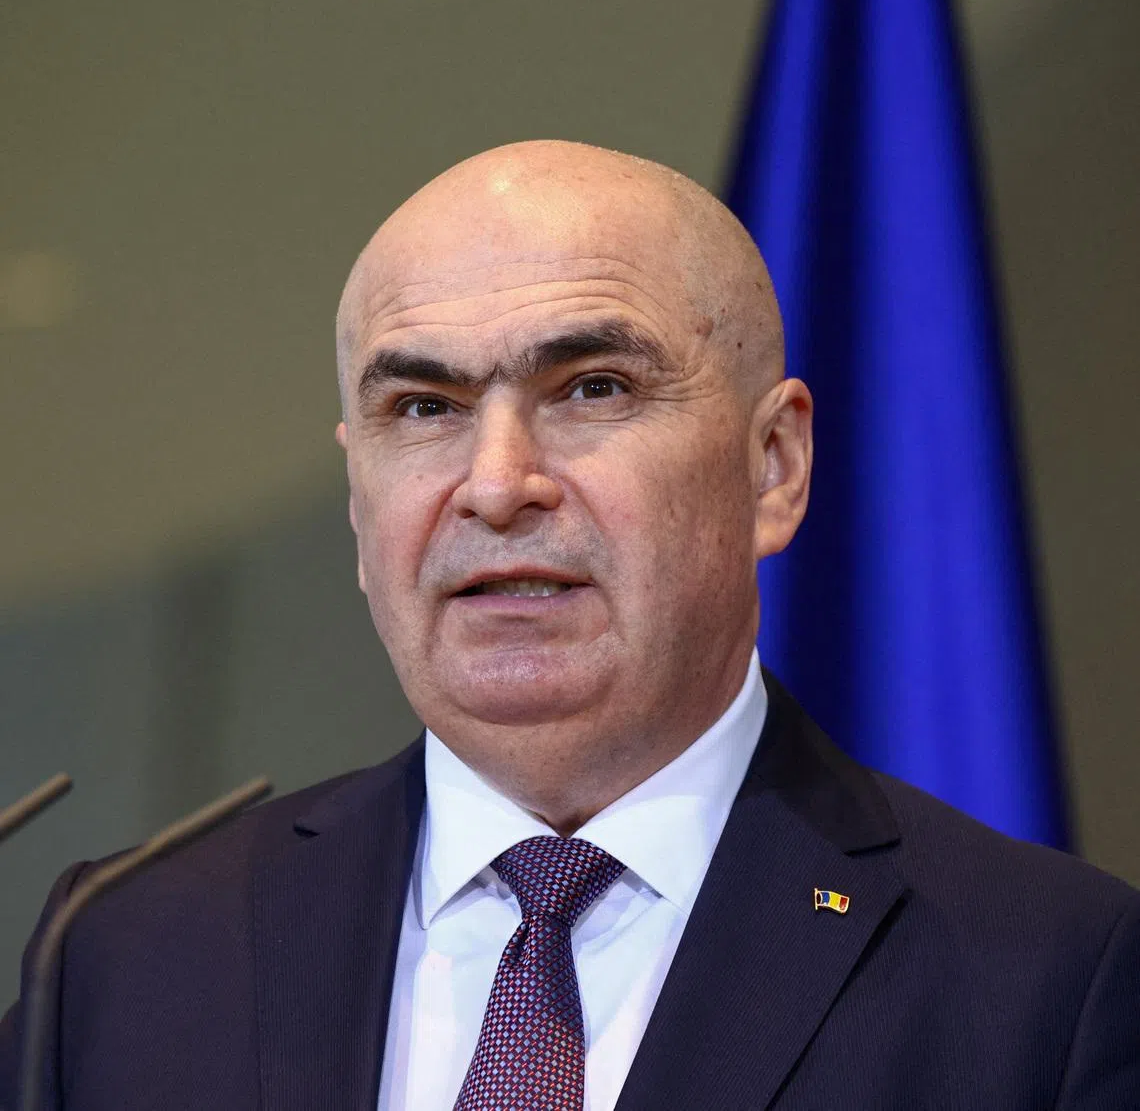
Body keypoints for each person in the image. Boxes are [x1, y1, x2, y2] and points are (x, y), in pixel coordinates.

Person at [1, 140, 1138, 1110]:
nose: (497, 485)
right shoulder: (124, 956)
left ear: (774, 466)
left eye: (592, 387)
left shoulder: (1047, 981)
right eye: (424, 408)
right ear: (359, 502)